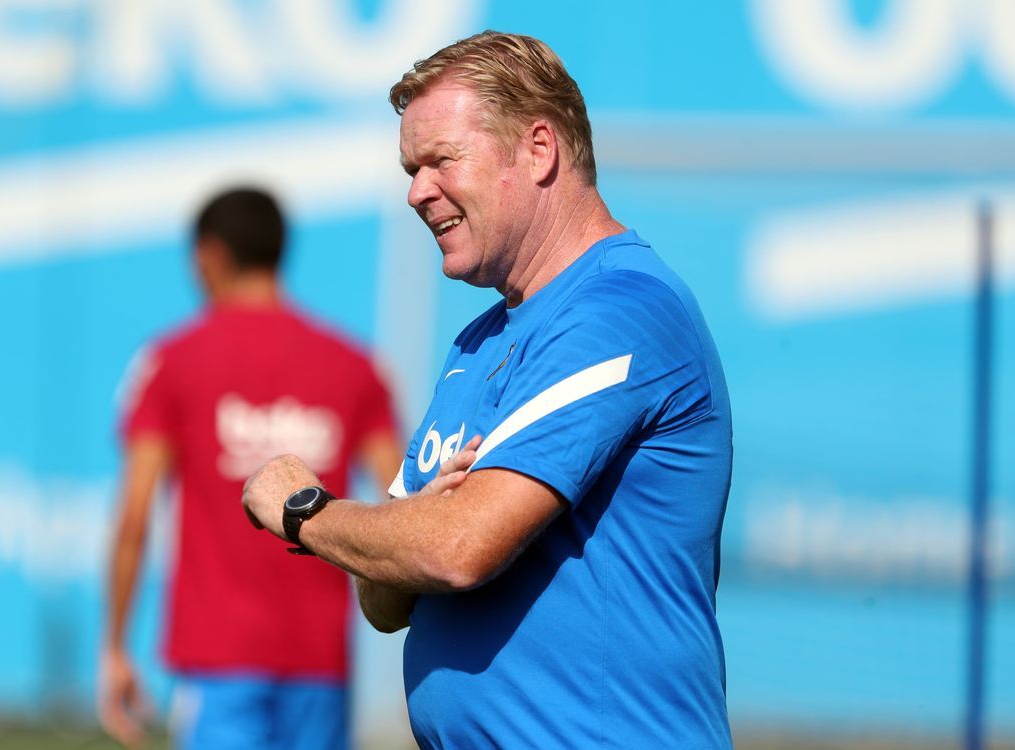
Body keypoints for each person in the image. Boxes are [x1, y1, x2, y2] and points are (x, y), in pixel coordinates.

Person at [241, 30, 733, 749]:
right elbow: (386, 597)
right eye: (411, 168)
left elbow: (454, 550)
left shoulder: (620, 310)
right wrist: (413, 527)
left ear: (539, 150)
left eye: (441, 160)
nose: (417, 192)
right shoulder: (477, 342)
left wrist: (303, 509)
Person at [99, 187, 402, 750]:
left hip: (218, 657)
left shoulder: (172, 361)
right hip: (321, 659)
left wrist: (115, 649)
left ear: (209, 255)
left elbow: (133, 520)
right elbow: (403, 504)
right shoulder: (355, 366)